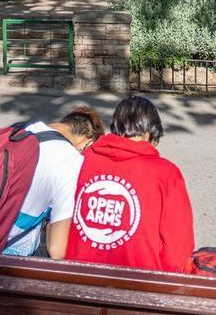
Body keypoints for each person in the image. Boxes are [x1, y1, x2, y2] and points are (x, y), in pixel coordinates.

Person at [65, 96, 194, 272]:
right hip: (139, 286)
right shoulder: (166, 173)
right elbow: (177, 250)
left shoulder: (80, 161)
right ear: (151, 133)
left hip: (75, 278)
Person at [2, 106, 106, 259]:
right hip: (6, 254)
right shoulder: (71, 160)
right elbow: (56, 250)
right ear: (87, 144)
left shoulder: (22, 129)